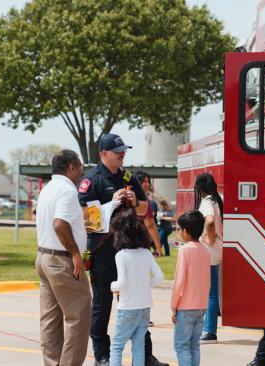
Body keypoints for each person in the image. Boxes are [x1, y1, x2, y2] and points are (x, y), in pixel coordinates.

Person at [78, 133, 168, 366]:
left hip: (131, 248)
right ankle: (102, 355)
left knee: (137, 302)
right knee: (102, 303)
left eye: (124, 150)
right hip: (104, 249)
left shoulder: (128, 177)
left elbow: (145, 208)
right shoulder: (92, 180)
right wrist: (112, 202)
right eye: (118, 151)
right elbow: (85, 217)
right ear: (104, 153)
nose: (122, 154)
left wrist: (133, 201)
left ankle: (145, 355)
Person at [35, 149, 91, 366]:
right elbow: (60, 224)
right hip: (62, 260)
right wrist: (76, 253)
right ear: (71, 168)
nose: (81, 173)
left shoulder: (48, 189)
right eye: (80, 168)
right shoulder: (67, 191)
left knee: (50, 320)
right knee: (79, 318)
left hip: (44, 258)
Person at [109, 208, 164, 366]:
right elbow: (159, 276)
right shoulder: (146, 253)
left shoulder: (121, 255)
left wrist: (112, 286)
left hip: (127, 308)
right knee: (139, 346)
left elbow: (122, 284)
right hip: (145, 307)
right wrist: (146, 285)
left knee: (117, 346)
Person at [171, 210, 211, 366]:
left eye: (180, 229)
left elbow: (179, 281)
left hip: (186, 307)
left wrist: (173, 306)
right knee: (194, 346)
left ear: (185, 232)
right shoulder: (205, 250)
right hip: (201, 306)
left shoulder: (185, 250)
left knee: (181, 347)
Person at [193, 173, 223, 344]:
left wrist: (210, 239)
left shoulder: (206, 202)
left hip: (210, 250)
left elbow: (209, 221)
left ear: (199, 187)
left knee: (210, 293)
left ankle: (210, 331)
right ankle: (208, 328)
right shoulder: (217, 199)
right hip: (217, 249)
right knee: (212, 292)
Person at [134, 171, 163, 256]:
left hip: (120, 241)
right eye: (143, 182)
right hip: (138, 243)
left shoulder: (125, 195)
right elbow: (150, 224)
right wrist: (158, 247)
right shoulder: (143, 200)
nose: (147, 184)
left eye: (148, 182)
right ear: (137, 182)